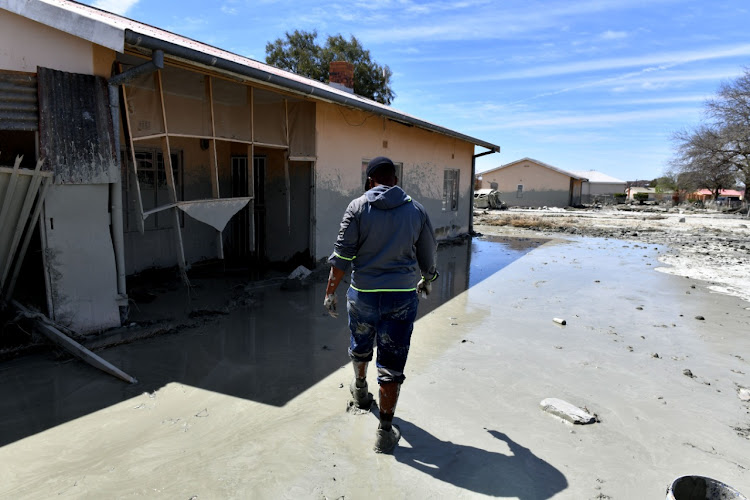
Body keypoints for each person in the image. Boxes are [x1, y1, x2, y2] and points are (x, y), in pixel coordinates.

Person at [324, 156, 438, 454]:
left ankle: (361, 392)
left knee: (361, 344)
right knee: (391, 363)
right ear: (395, 180)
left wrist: (330, 291)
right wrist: (428, 277)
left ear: (370, 180)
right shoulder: (416, 210)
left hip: (363, 294)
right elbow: (428, 252)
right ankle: (385, 433)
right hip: (401, 297)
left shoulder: (358, 208)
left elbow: (342, 256)